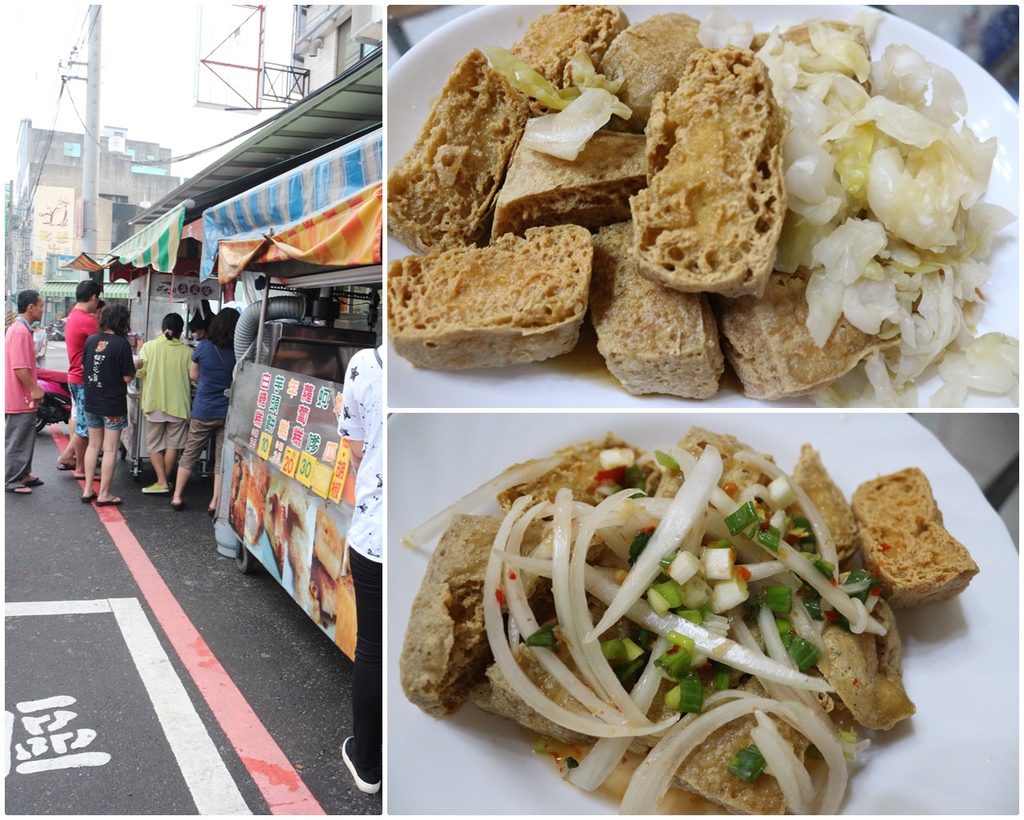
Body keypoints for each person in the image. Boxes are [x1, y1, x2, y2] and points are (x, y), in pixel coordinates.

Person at [337, 343, 383, 794]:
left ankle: (369, 763)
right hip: (436, 536)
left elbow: (354, 447)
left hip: (378, 533)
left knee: (374, 647)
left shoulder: (366, 364)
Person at [170, 309, 239, 514]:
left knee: (190, 453)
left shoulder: (204, 347)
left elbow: (193, 375)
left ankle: (177, 496)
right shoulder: (239, 350)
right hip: (227, 411)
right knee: (220, 459)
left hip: (204, 408)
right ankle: (214, 502)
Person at [80, 304, 136, 506]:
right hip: (112, 404)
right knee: (110, 449)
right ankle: (104, 494)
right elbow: (128, 377)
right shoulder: (121, 344)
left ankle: (87, 490)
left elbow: (84, 366)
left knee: (93, 445)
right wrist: (135, 367)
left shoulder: (91, 340)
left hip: (91, 401)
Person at [135, 313, 192, 494]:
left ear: (162, 328)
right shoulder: (188, 352)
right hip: (179, 406)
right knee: (173, 446)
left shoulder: (149, 347)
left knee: (153, 445)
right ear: (181, 331)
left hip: (155, 404)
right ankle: (164, 481)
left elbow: (138, 372)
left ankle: (161, 482)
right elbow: (193, 377)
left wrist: (139, 351)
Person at [56, 279, 102, 476]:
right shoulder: (86, 320)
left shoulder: (73, 315)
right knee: (84, 425)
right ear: (93, 297)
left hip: (74, 375)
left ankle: (69, 456)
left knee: (81, 419)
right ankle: (79, 466)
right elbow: (103, 344)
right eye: (97, 298)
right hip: (83, 377)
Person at [5, 290, 45, 495]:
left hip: (21, 396)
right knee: (18, 438)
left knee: (25, 436)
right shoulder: (20, 331)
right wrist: (34, 388)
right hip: (20, 396)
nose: (42, 309)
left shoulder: (21, 329)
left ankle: (23, 473)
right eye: (40, 305)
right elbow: (20, 367)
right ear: (30, 307)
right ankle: (11, 480)